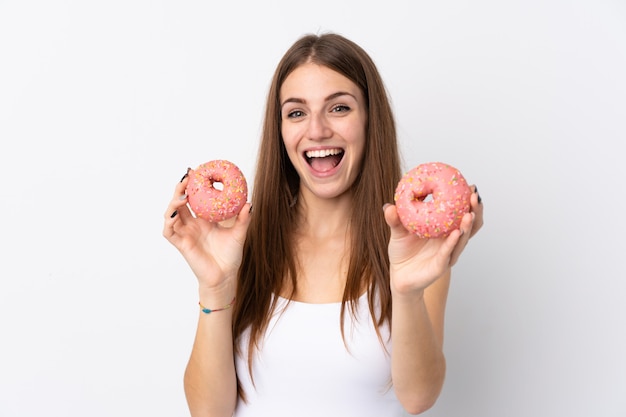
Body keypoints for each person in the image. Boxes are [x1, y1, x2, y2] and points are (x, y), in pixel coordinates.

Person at [163, 32, 484, 417]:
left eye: (339, 108)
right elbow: (208, 412)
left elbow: (418, 398)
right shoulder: (242, 242)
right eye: (296, 112)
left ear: (369, 119)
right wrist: (215, 287)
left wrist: (407, 292)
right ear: (280, 131)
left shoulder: (417, 249)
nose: (316, 130)